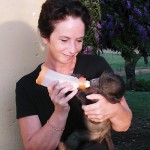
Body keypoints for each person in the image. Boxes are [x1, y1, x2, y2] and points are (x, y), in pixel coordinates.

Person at [15, 0, 132, 150]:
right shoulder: (27, 86)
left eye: (79, 40)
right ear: (45, 36)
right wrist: (60, 113)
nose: (72, 49)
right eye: (64, 40)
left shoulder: (97, 66)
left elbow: (124, 125)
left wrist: (113, 110)